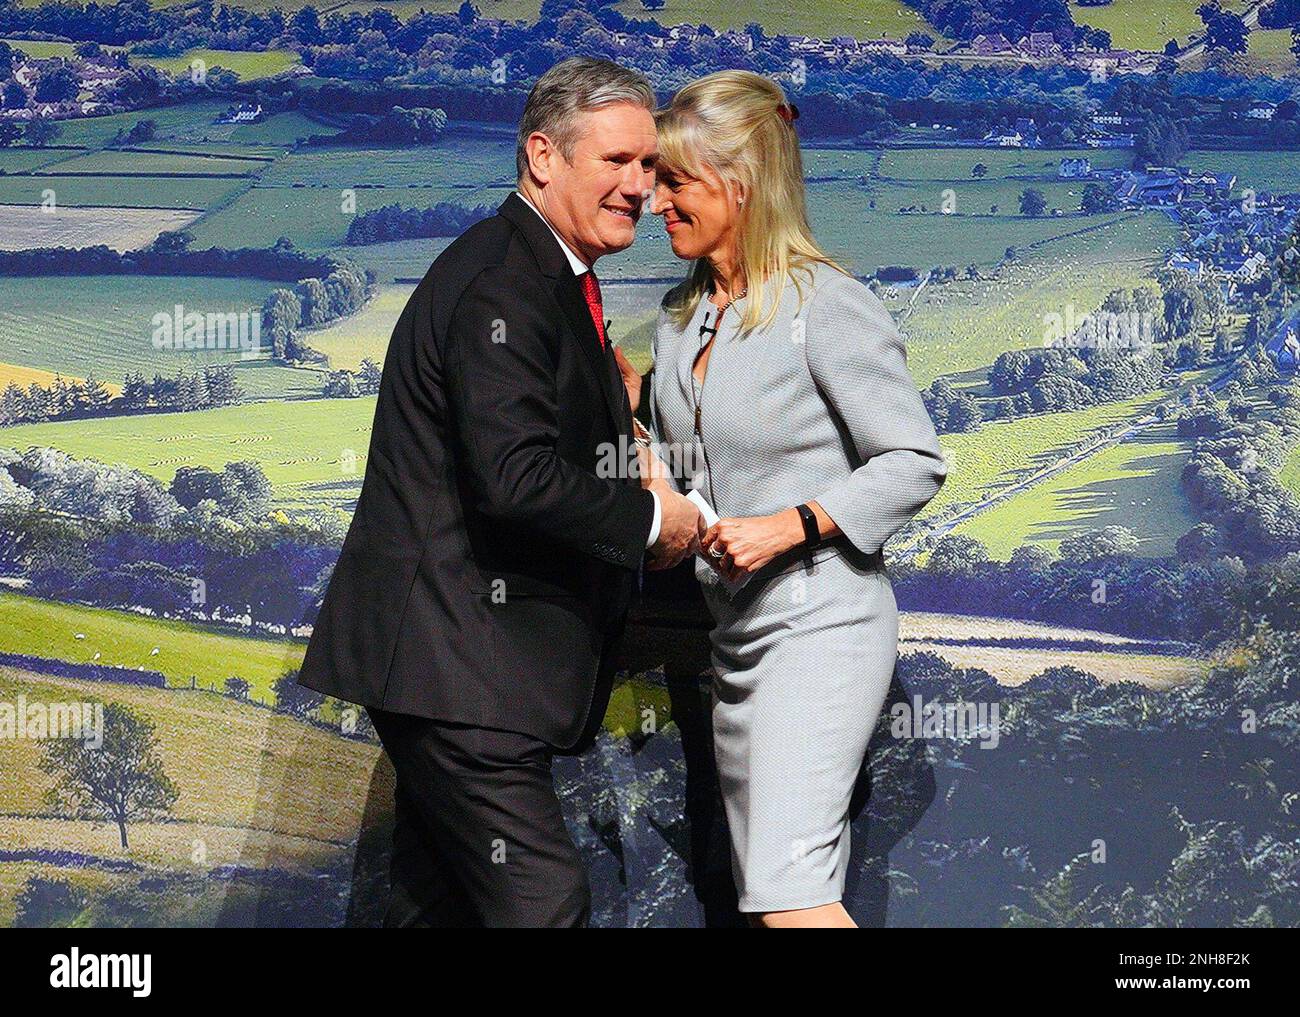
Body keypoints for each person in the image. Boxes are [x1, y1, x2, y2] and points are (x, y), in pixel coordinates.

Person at [297, 56, 702, 927]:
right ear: (543, 156)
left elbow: (528, 433)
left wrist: (620, 407)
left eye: (649, 165)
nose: (640, 187)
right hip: (460, 670)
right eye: (617, 161)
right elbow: (514, 476)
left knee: (429, 907)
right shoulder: (506, 285)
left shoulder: (538, 273)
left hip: (456, 667)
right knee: (544, 903)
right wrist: (653, 521)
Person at [617, 70, 948, 927]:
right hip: (735, 641)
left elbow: (914, 460)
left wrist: (792, 525)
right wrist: (634, 413)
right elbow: (695, 469)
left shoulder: (828, 305)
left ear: (741, 183)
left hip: (822, 631)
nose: (655, 202)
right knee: (775, 899)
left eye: (676, 181)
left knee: (791, 897)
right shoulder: (680, 318)